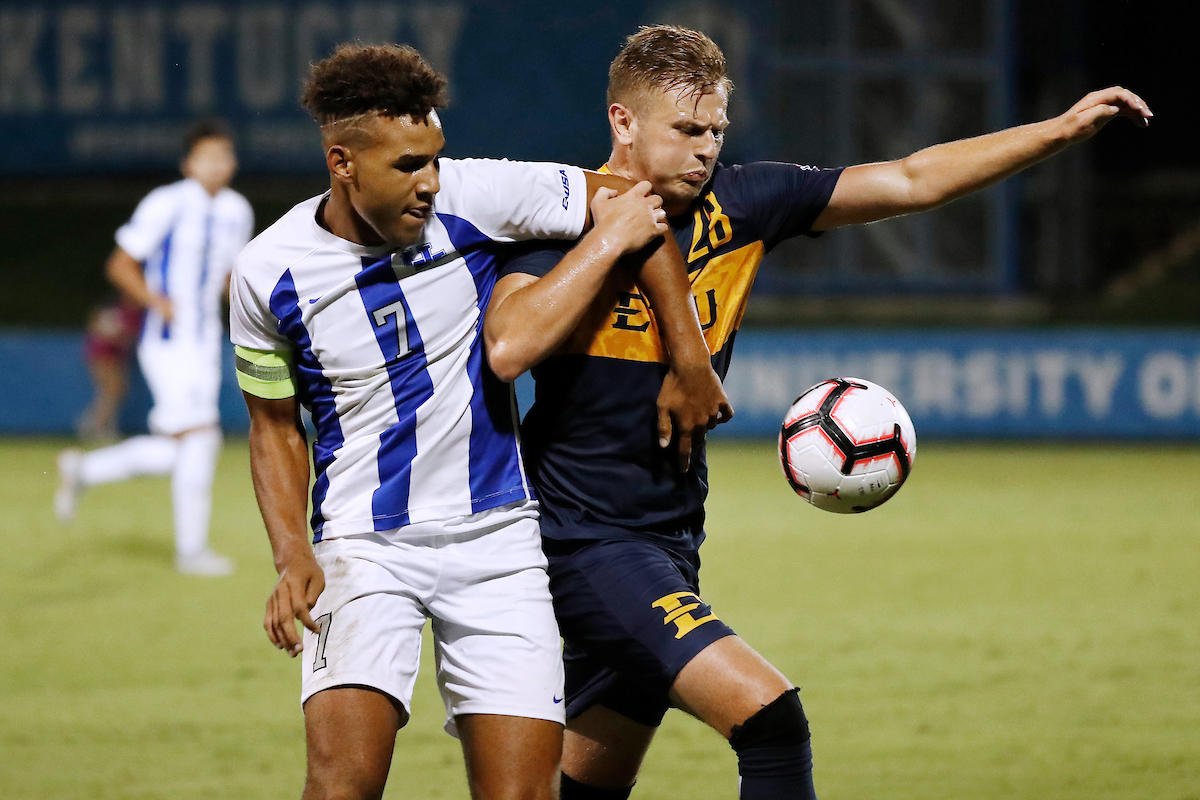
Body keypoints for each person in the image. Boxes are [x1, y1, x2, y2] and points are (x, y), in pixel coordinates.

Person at [487, 25, 1153, 800]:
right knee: (770, 719)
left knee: (584, 788)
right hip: (581, 542)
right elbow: (509, 332)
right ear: (623, 122)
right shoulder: (557, 219)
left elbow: (910, 179)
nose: (705, 150)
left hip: (668, 539)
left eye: (716, 131)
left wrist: (1058, 131)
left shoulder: (744, 203)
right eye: (686, 130)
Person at [228, 43, 728, 800]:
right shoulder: (267, 274)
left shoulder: (479, 193)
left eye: (434, 157)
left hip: (498, 542)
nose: (429, 183)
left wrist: (689, 360)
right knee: (343, 787)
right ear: (342, 163)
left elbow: (632, 208)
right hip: (363, 548)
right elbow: (273, 426)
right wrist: (291, 552)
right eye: (405, 166)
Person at [56, 121, 253, 577]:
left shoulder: (236, 210)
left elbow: (226, 278)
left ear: (233, 162)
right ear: (188, 163)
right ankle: (192, 551)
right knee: (201, 437)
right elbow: (121, 263)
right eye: (206, 156)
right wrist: (155, 302)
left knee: (177, 448)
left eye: (223, 155)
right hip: (167, 341)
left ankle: (84, 469)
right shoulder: (167, 203)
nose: (216, 164)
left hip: (205, 339)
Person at [76, 295, 143, 442]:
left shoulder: (135, 312)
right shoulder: (116, 310)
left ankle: (97, 425)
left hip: (117, 356)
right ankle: (96, 427)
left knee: (115, 391)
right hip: (102, 353)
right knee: (112, 390)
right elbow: (99, 328)